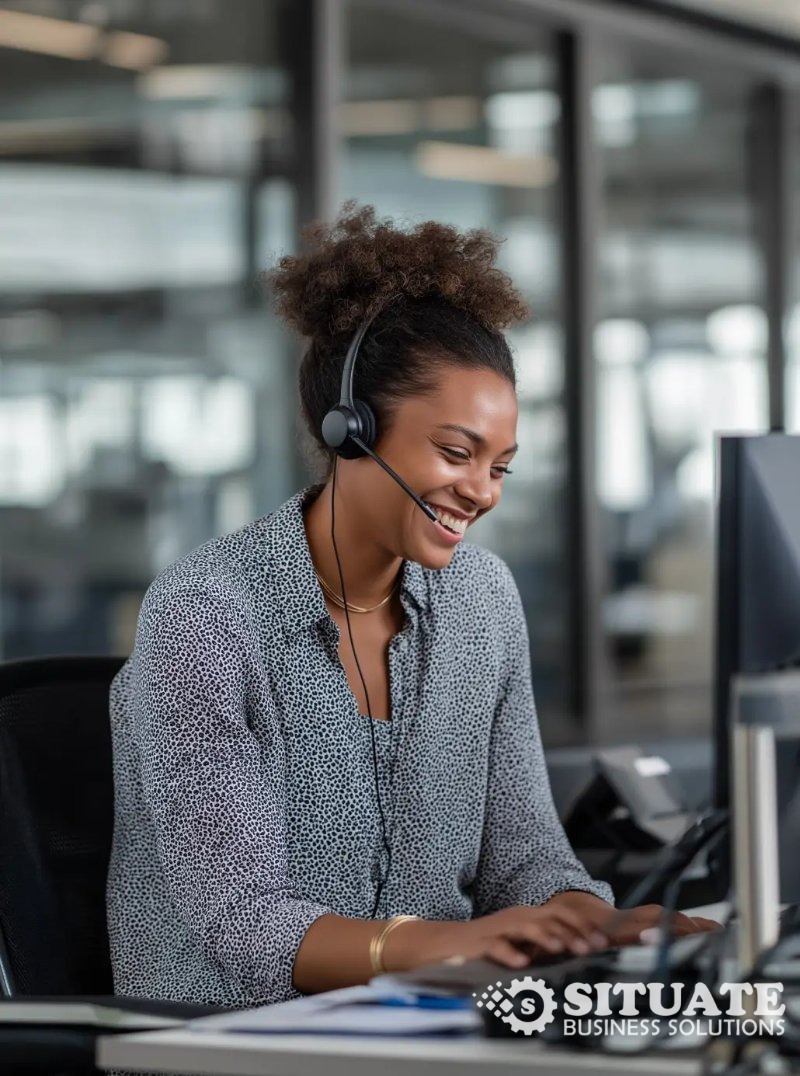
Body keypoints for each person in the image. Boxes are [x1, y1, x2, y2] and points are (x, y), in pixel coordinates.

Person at [105, 204, 717, 1009]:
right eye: (456, 453)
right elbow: (244, 923)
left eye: (502, 465)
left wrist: (593, 926)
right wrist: (457, 945)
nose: (482, 492)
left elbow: (524, 858)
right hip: (227, 1040)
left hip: (424, 1021)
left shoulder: (483, 601)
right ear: (351, 431)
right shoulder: (208, 614)